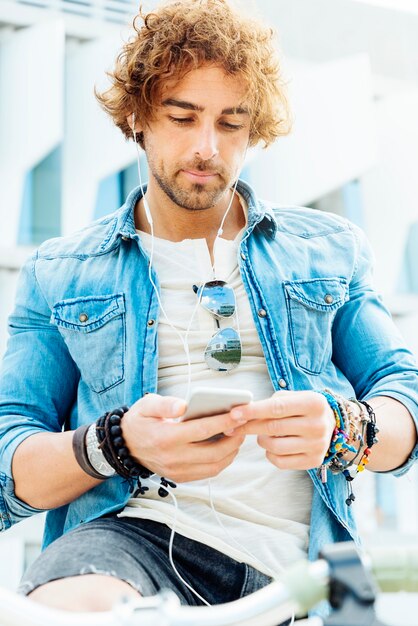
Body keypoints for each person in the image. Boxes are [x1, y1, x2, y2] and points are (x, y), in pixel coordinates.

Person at [0, 0, 417, 620]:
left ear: (256, 129)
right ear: (139, 117)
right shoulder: (59, 271)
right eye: (182, 116)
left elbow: (403, 400)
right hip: (130, 546)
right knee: (73, 607)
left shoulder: (330, 247)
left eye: (230, 122)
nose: (205, 147)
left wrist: (343, 429)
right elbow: (10, 467)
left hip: (309, 571)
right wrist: (118, 444)